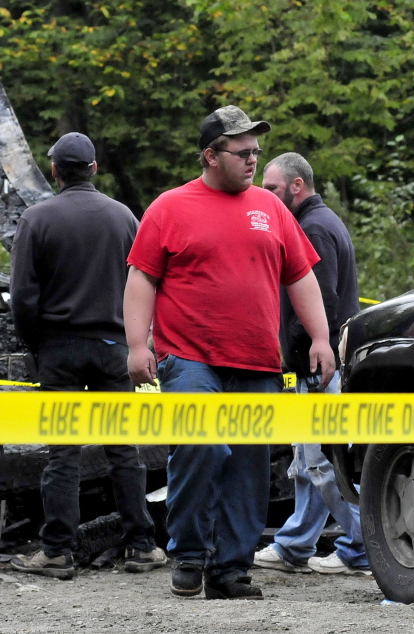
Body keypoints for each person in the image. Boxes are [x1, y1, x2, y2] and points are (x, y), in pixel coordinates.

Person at [123, 106, 335, 600]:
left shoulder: (271, 208)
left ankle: (231, 568)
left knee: (247, 466)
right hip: (189, 356)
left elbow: (301, 275)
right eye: (242, 153)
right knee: (200, 445)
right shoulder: (169, 207)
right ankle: (190, 553)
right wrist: (138, 345)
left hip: (257, 360)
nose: (252, 162)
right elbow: (141, 278)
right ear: (210, 156)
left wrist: (321, 338)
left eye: (256, 153)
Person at [9, 132, 166, 580]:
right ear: (94, 168)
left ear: (55, 170)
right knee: (123, 450)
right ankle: (140, 546)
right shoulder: (124, 218)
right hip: (115, 347)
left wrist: (35, 343)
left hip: (59, 348)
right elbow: (146, 283)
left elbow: (22, 296)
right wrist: (140, 338)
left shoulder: (37, 219)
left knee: (63, 452)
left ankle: (58, 552)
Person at [254, 152, 369, 576]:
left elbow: (320, 304)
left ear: (296, 186)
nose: (267, 196)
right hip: (317, 363)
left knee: (322, 460)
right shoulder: (315, 224)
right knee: (306, 461)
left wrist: (297, 361)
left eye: (273, 189)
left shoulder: (314, 229)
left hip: (319, 366)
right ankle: (294, 545)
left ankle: (362, 544)